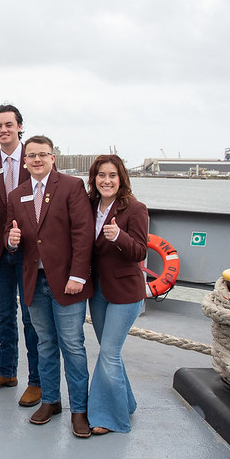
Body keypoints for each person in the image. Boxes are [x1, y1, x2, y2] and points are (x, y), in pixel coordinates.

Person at [6, 135, 94, 438]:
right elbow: (12, 233)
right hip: (34, 282)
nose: (36, 160)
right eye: (31, 156)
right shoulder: (17, 195)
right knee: (44, 344)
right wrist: (11, 241)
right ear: (25, 161)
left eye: (42, 155)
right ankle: (51, 400)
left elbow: (83, 234)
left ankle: (80, 410)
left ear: (52, 157)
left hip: (68, 282)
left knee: (72, 345)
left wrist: (78, 276)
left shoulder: (71, 187)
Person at [0, 104, 41, 408]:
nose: (3, 130)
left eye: (9, 125)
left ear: (19, 127)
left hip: (31, 251)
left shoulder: (36, 158)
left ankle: (37, 381)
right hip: (0, 252)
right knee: (5, 315)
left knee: (31, 317)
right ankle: (6, 372)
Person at [86, 155, 148, 435]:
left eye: (112, 175)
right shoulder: (89, 205)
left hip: (125, 293)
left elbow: (140, 251)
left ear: (121, 178)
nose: (106, 181)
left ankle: (109, 418)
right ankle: (127, 402)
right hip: (97, 291)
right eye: (101, 175)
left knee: (109, 353)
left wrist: (119, 236)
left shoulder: (135, 209)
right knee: (111, 352)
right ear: (94, 179)